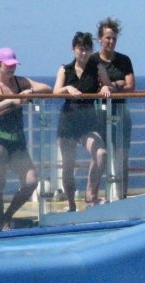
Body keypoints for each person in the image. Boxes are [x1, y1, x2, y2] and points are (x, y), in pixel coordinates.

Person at [0, 47, 52, 230]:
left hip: (16, 140)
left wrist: (30, 92)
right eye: (8, 65)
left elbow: (48, 89)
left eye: (14, 65)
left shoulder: (20, 82)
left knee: (31, 181)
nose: (12, 68)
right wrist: (10, 100)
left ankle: (7, 215)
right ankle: (0, 222)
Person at [54, 32, 113, 211]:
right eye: (81, 49)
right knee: (68, 166)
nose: (84, 53)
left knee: (101, 153)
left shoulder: (97, 68)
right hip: (68, 121)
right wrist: (68, 88)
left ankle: (91, 194)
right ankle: (71, 204)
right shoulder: (65, 69)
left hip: (88, 120)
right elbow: (55, 92)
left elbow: (109, 85)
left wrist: (105, 86)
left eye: (87, 49)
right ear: (73, 49)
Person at [90, 17, 135, 198]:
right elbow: (90, 86)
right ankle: (92, 195)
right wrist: (117, 83)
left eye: (114, 38)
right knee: (99, 156)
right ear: (100, 39)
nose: (111, 41)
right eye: (108, 38)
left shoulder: (124, 60)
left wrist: (113, 85)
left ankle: (122, 197)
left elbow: (131, 87)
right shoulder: (92, 60)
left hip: (120, 113)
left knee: (122, 157)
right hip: (99, 115)